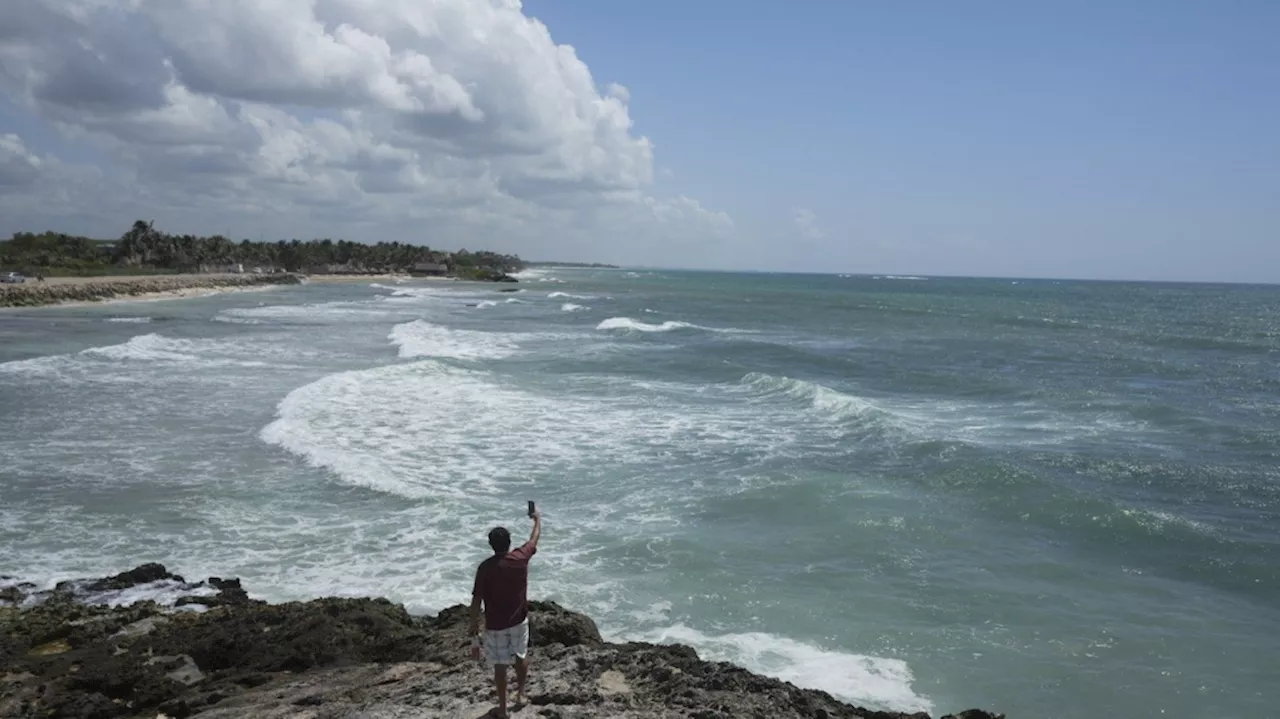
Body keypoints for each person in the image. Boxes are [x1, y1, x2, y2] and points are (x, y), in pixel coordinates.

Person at [470, 508, 541, 718]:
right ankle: (520, 695)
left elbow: (476, 600)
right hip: (519, 621)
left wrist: (473, 624)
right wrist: (537, 519)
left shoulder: (485, 568)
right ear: (509, 542)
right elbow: (534, 539)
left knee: (500, 665)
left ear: (491, 545)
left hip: (495, 625)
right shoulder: (520, 558)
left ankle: (502, 710)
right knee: (521, 655)